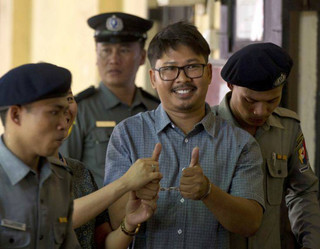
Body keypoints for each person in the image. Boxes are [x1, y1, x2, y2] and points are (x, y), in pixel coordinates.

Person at [104, 22, 265, 249]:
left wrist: (209, 193)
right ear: (153, 78)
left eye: (192, 67)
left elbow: (250, 223)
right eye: (169, 69)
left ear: (209, 73)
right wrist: (136, 192)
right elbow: (115, 221)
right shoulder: (127, 134)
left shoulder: (241, 144)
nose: (182, 79)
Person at [212, 42, 320, 249]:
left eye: (272, 101)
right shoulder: (207, 129)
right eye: (250, 101)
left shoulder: (287, 129)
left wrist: (311, 243)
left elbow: (304, 191)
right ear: (230, 86)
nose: (260, 111)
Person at [60, 12, 160, 188]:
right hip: (100, 214)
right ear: (96, 56)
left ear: (143, 57)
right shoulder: (79, 110)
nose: (114, 59)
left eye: (124, 50)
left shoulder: (156, 109)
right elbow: (64, 176)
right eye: (106, 50)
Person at [56, 90, 162, 249]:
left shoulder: (80, 171)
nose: (66, 107)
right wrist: (126, 183)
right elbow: (56, 218)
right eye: (53, 101)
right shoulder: (13, 171)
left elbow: (103, 243)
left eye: (69, 98)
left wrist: (129, 224)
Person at [0, 63, 80, 248]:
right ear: (16, 115)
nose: (63, 124)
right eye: (53, 113)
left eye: (64, 112)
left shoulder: (60, 177)